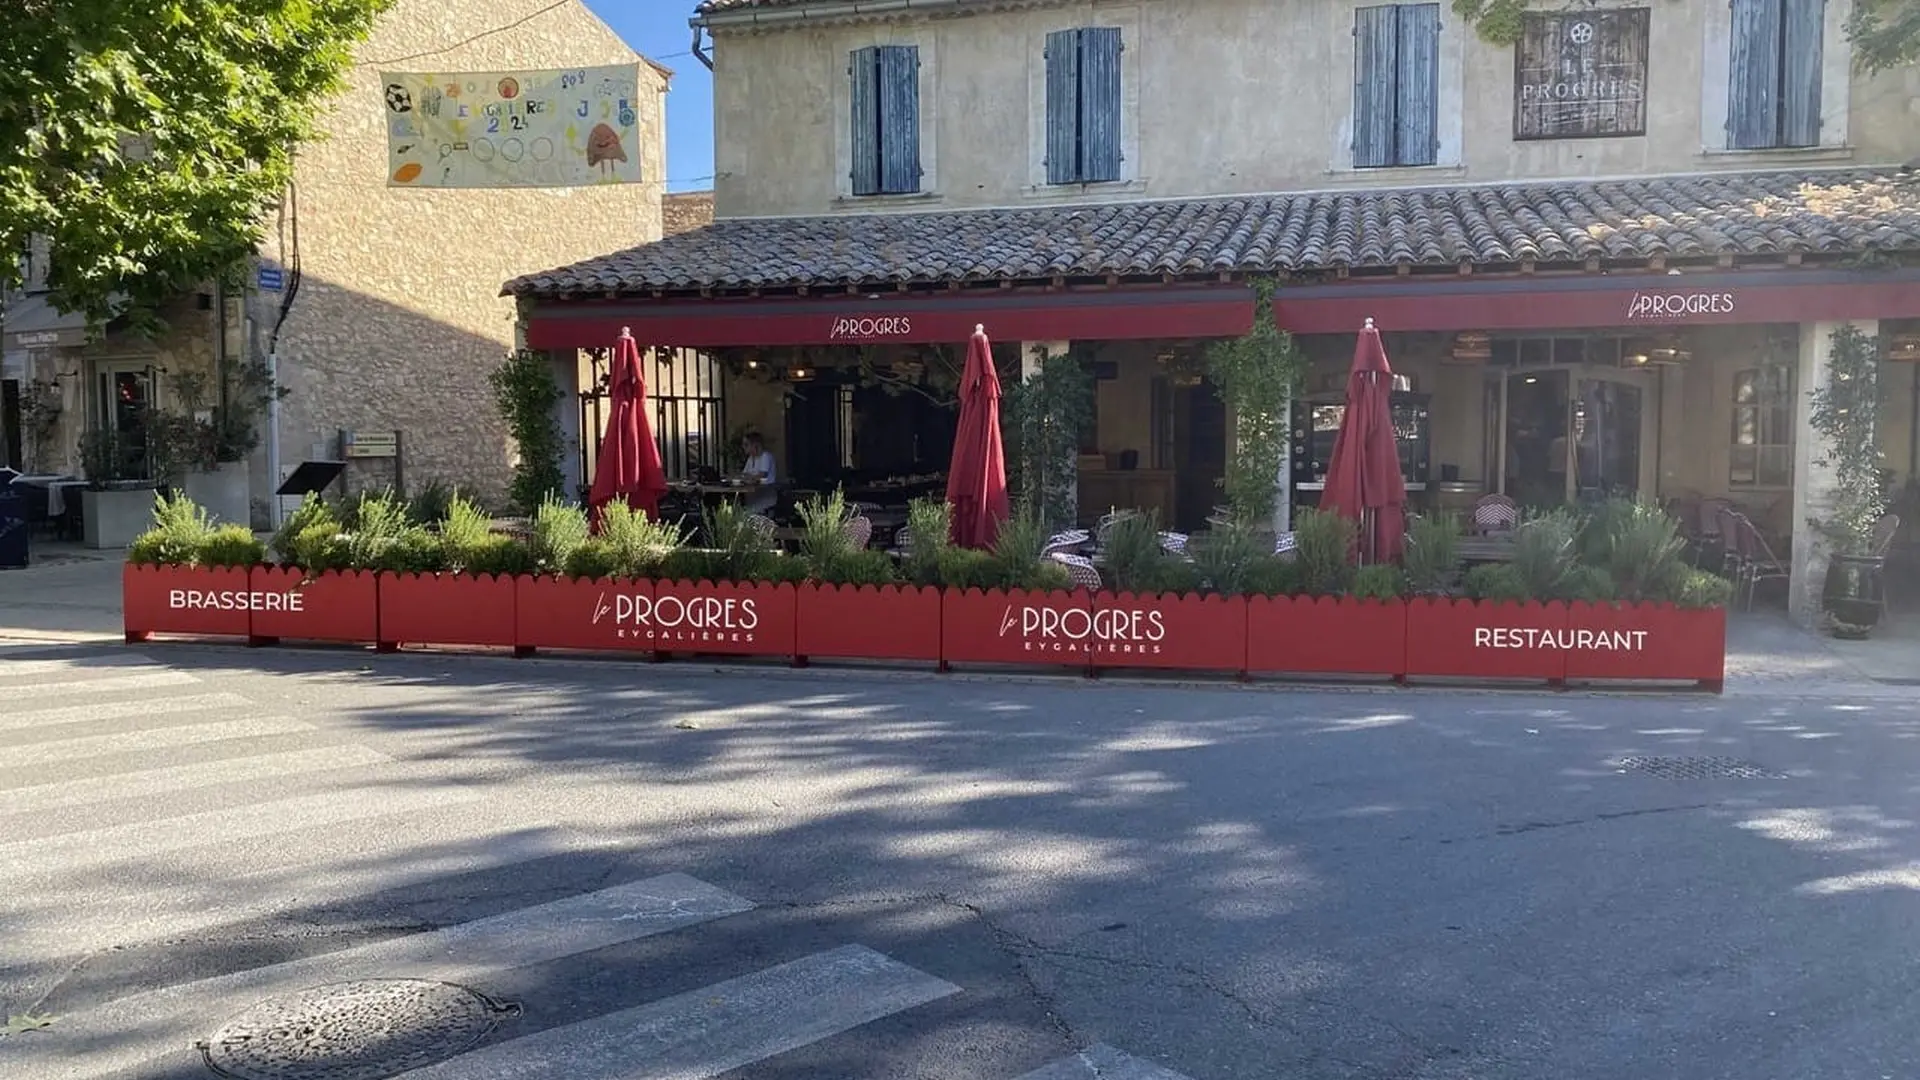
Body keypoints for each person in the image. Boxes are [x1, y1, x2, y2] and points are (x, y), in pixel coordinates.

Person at [739, 432, 777, 513]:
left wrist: (751, 477)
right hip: (753, 496)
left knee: (748, 512)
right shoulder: (750, 458)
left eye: (746, 445)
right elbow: (744, 474)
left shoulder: (766, 456)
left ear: (755, 445)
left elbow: (762, 475)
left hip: (765, 495)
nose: (743, 447)